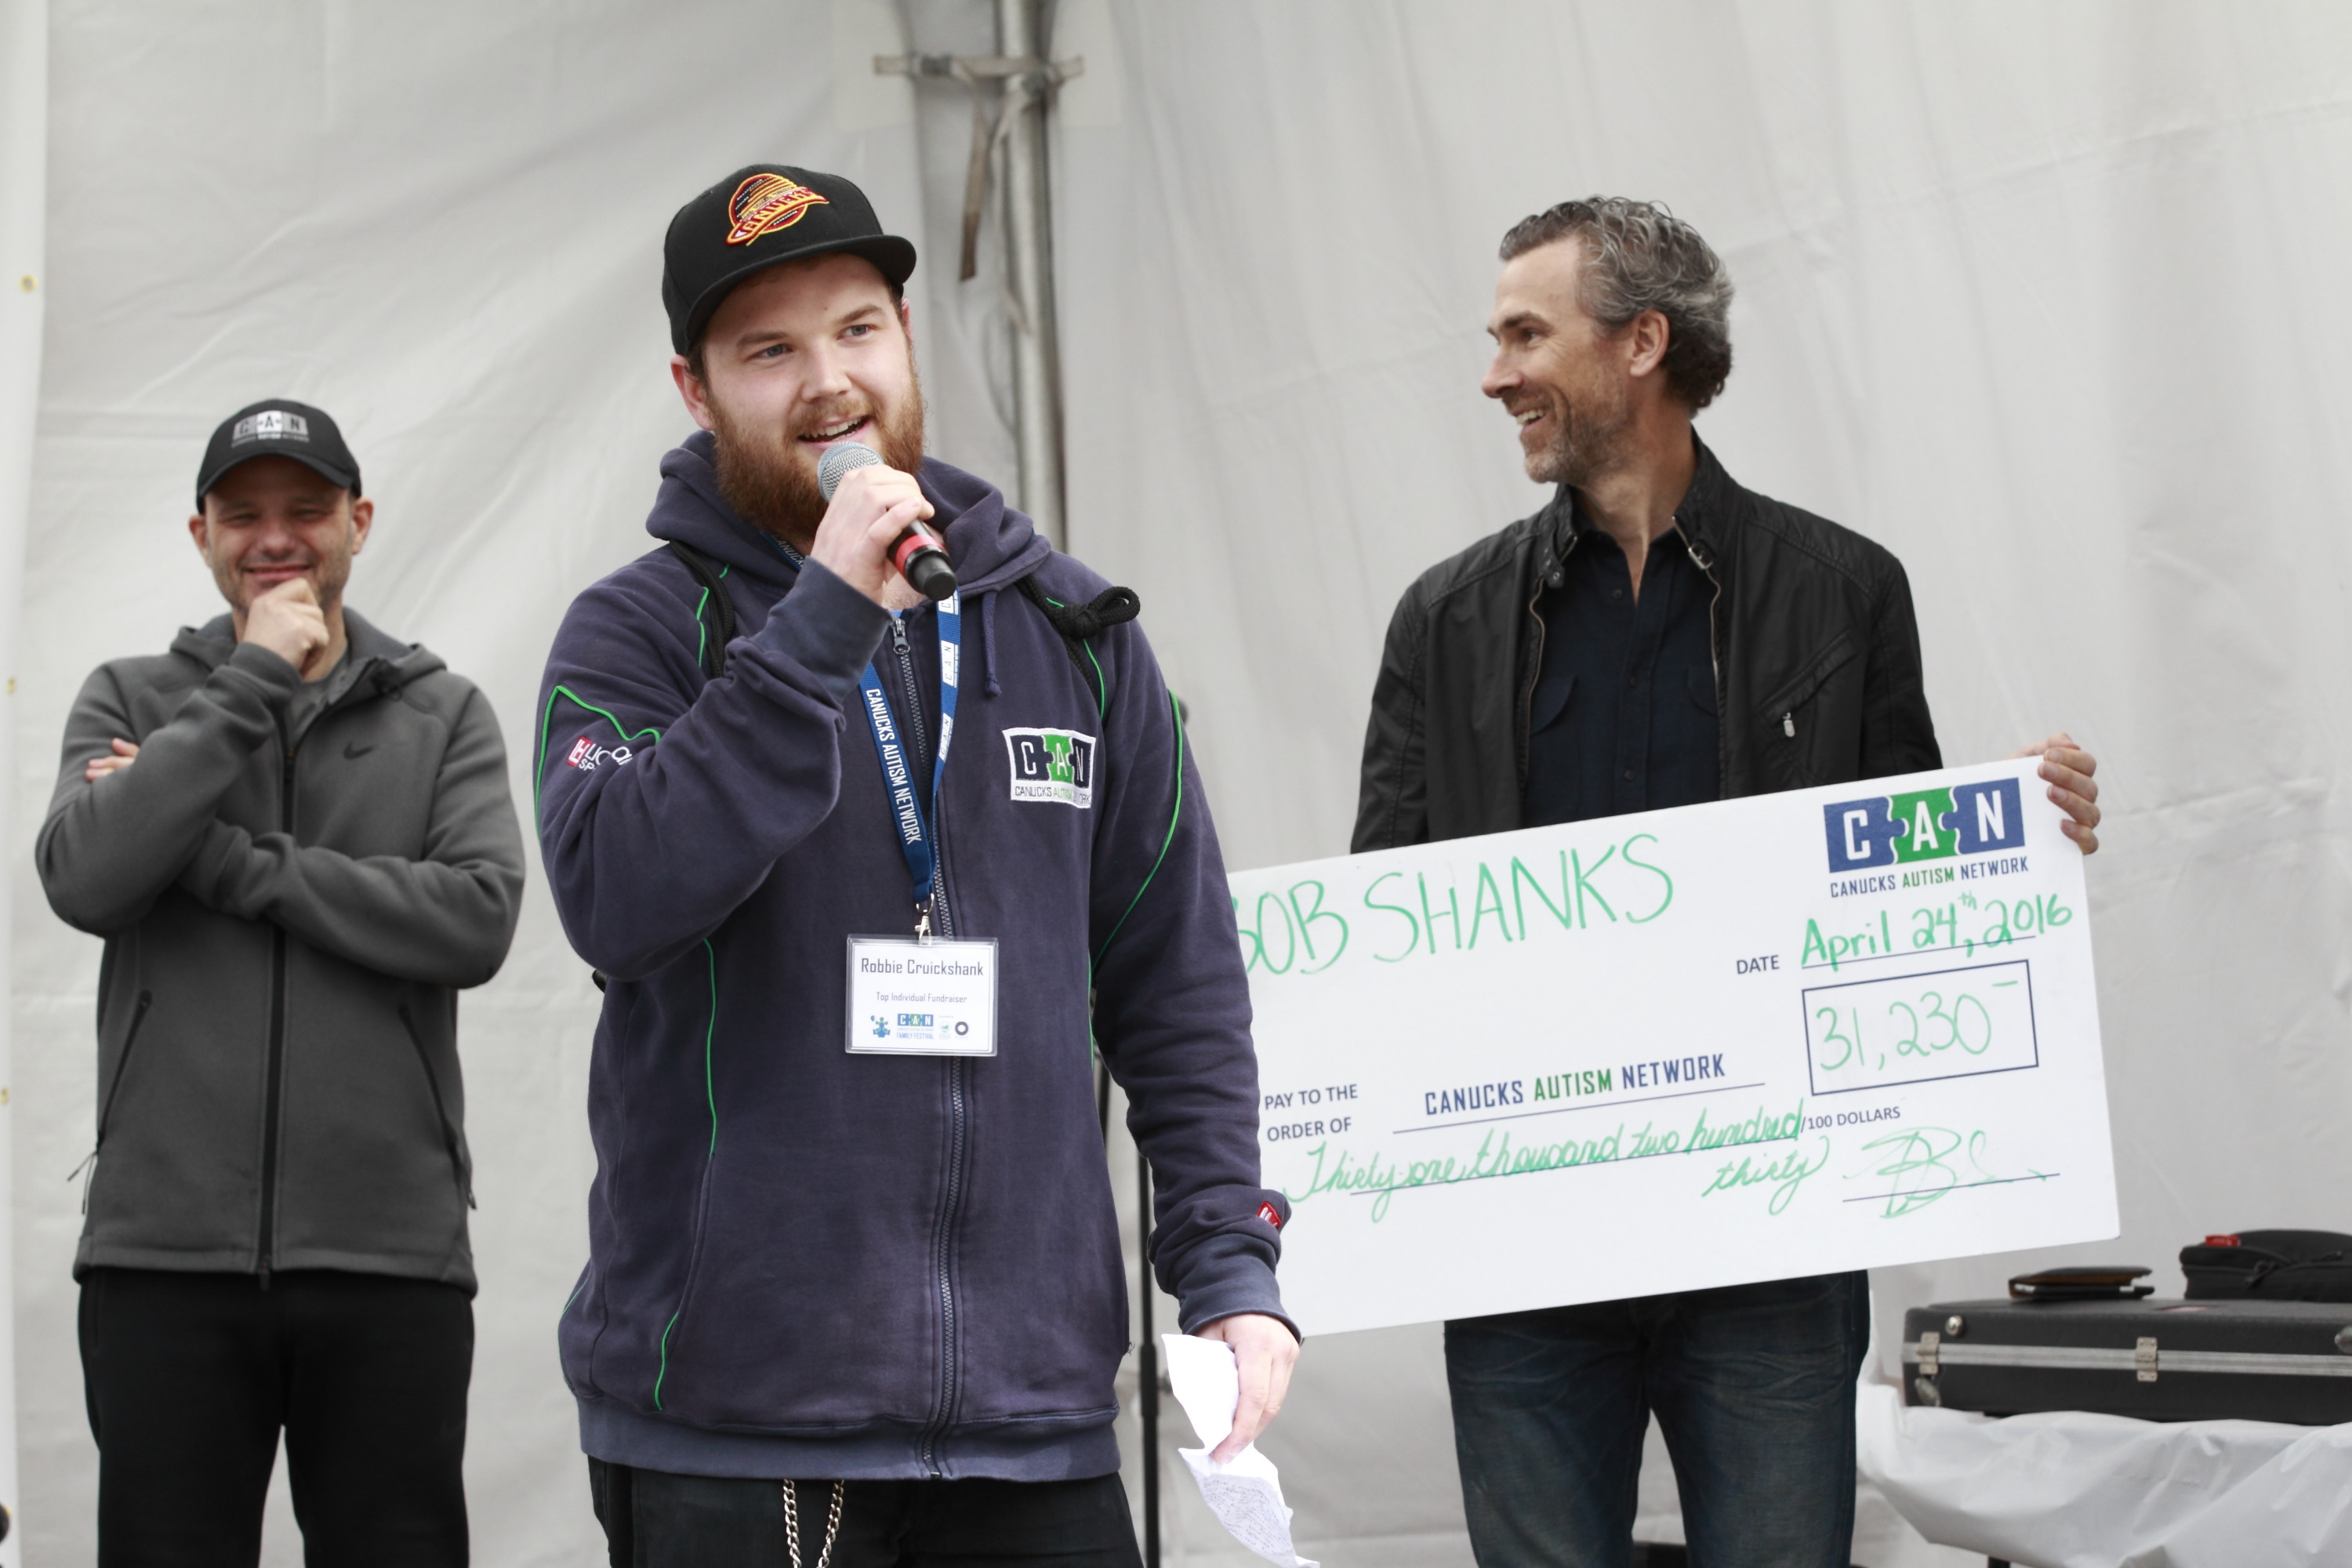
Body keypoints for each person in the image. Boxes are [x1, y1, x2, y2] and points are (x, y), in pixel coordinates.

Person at [537, 165, 1297, 1567]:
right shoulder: (639, 634)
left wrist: (1226, 1268)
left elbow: (1177, 983)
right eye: (769, 351)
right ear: (695, 393)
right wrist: (821, 620)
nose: (829, 383)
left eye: (858, 328)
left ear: (905, 339)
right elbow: (617, 895)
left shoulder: (1074, 632)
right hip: (741, 1423)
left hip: (1034, 1420)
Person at [1353, 200, 2103, 1568]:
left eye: (1527, 332)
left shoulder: (1845, 592)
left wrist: (2011, 829)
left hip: (1772, 1253)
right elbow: (1380, 923)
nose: (1494, 372)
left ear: (1643, 342)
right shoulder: (1444, 619)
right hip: (1526, 1245)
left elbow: (1901, 908)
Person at [37, 398, 526, 1566]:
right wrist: (252, 678)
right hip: (162, 1259)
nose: (275, 537)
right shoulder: (129, 698)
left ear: (358, 521)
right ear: (198, 531)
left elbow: (472, 920)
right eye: (243, 513)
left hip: (388, 1258)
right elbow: (88, 878)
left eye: (306, 510)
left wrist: (215, 855)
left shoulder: (441, 711)